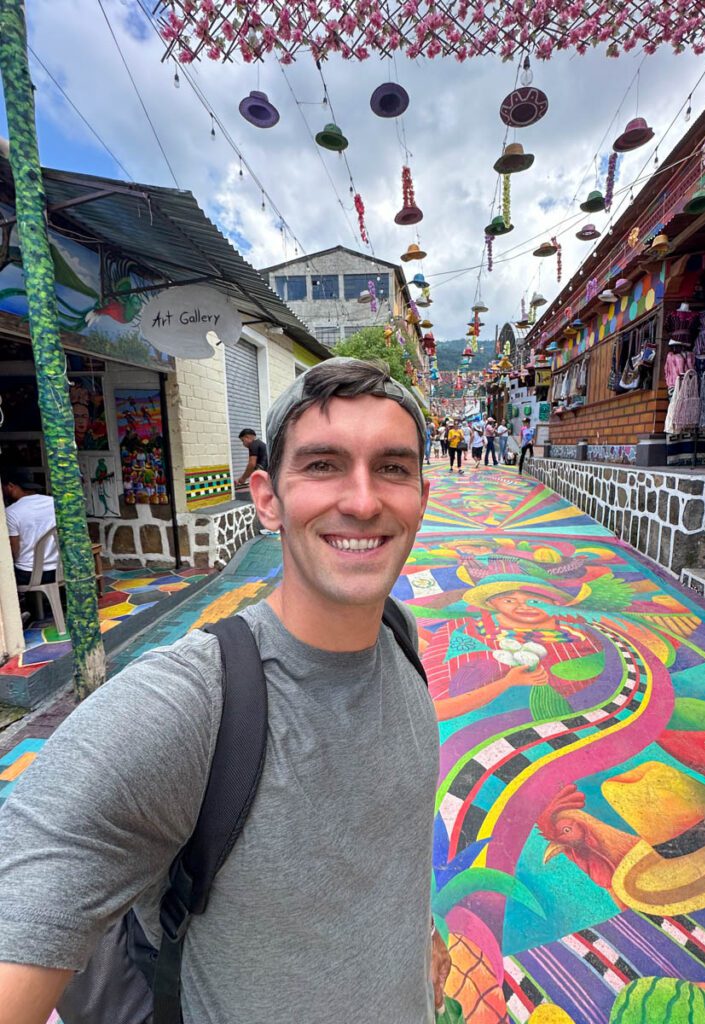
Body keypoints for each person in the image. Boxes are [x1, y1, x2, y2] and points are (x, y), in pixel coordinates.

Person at [0, 358, 450, 1024]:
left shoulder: (398, 634)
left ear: (420, 494)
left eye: (391, 467)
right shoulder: (186, 705)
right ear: (266, 498)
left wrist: (417, 937)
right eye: (322, 465)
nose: (362, 500)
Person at [1, 475, 58, 586]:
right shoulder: (53, 502)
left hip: (27, 574)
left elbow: (14, 549)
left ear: (10, 486)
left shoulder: (10, 512)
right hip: (57, 570)